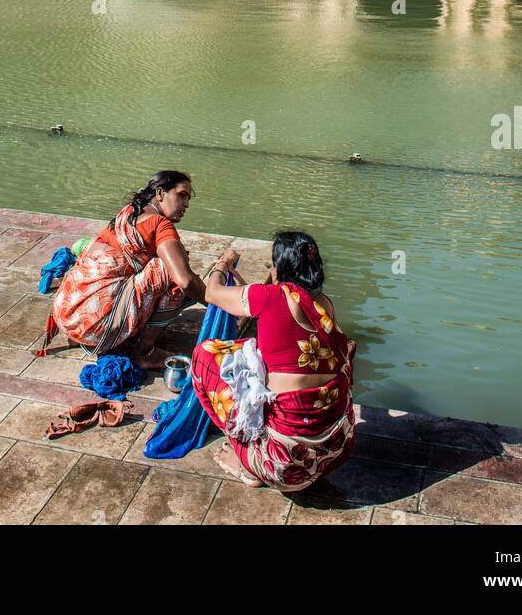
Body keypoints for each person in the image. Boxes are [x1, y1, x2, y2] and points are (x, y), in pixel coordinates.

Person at [191, 231, 356, 491]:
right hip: (335, 451)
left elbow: (212, 293)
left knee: (205, 355)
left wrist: (223, 264)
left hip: (285, 466)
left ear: (280, 268)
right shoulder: (324, 305)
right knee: (253, 351)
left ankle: (249, 465)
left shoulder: (269, 297)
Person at [35, 171, 207, 367]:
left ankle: (89, 332)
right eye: (182, 195)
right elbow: (186, 280)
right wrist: (216, 302)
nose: (186, 203)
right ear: (160, 194)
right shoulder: (160, 224)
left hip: (66, 314)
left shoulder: (128, 213)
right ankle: (145, 353)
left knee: (172, 261)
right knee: (171, 272)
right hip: (95, 328)